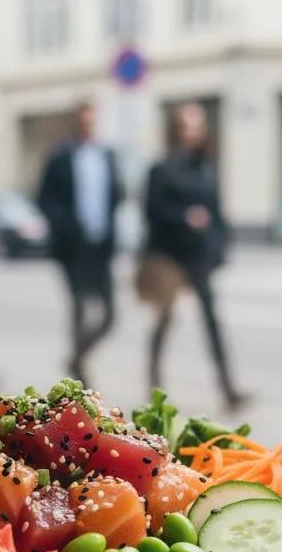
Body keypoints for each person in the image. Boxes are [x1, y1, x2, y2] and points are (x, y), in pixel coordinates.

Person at [143, 103, 248, 411]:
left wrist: (220, 247)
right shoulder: (162, 169)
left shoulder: (206, 168)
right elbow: (153, 211)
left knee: (212, 321)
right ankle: (155, 390)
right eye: (187, 126)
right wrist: (183, 217)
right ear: (176, 130)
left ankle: (228, 388)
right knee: (164, 320)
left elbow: (216, 211)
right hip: (169, 257)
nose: (193, 133)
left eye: (198, 126)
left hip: (198, 256)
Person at [36, 100, 124, 383]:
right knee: (79, 310)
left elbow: (116, 193)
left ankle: (75, 358)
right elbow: (44, 198)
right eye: (83, 121)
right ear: (76, 122)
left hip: (101, 246)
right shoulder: (61, 156)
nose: (88, 126)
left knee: (109, 315)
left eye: (92, 121)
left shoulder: (106, 156)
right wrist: (64, 225)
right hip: (72, 247)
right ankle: (80, 381)